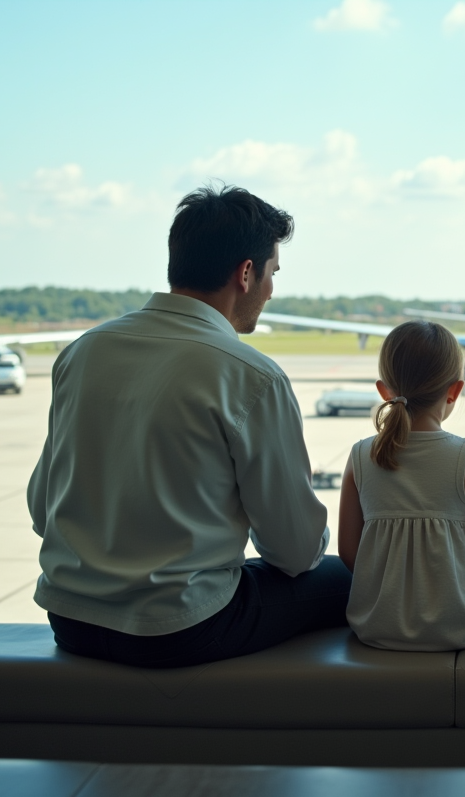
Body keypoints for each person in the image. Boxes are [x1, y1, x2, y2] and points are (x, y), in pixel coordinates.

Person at [29, 184, 351, 668]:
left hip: (71, 621)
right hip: (181, 627)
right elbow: (295, 550)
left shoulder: (82, 352)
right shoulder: (251, 375)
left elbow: (41, 510)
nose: (270, 290)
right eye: (272, 274)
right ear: (246, 273)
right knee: (354, 578)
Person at [338, 320, 465, 651]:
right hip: (464, 627)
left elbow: (349, 552)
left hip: (377, 627)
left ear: (384, 391)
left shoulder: (360, 456)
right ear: (454, 391)